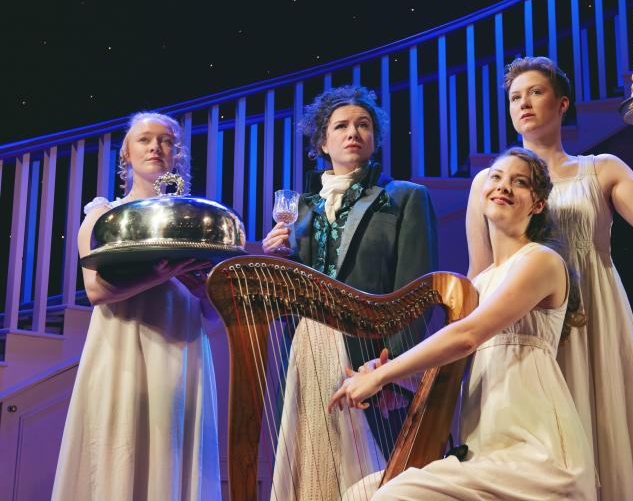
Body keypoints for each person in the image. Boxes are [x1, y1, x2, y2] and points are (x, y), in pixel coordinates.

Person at [467, 56, 633, 500]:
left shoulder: (601, 168)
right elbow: (480, 273)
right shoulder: (489, 180)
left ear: (562, 104)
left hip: (591, 312)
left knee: (597, 424)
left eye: (535, 93)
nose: (524, 103)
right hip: (524, 320)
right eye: (515, 97)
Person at [329, 147, 596, 500]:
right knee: (359, 494)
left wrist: (381, 375)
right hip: (484, 445)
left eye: (519, 182)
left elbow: (467, 338)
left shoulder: (541, 261)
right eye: (497, 177)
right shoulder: (481, 282)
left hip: (536, 446)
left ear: (537, 205)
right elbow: (462, 363)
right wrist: (397, 383)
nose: (503, 187)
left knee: (391, 497)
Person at [261, 85, 438, 500]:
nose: (353, 132)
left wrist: (393, 373)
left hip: (370, 360)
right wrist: (278, 259)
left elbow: (417, 293)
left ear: (375, 137)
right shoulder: (299, 210)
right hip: (307, 351)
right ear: (322, 142)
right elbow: (289, 298)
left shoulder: (405, 197)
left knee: (375, 480)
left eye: (363, 125)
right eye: (340, 126)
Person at [52, 112, 222, 501]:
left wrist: (199, 286)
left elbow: (213, 313)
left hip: (180, 349)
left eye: (165, 141)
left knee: (173, 452)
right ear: (126, 153)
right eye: (145, 140)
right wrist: (161, 274)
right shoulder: (103, 215)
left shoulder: (195, 220)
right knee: (121, 451)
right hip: (123, 348)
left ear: (175, 154)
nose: (155, 147)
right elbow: (96, 292)